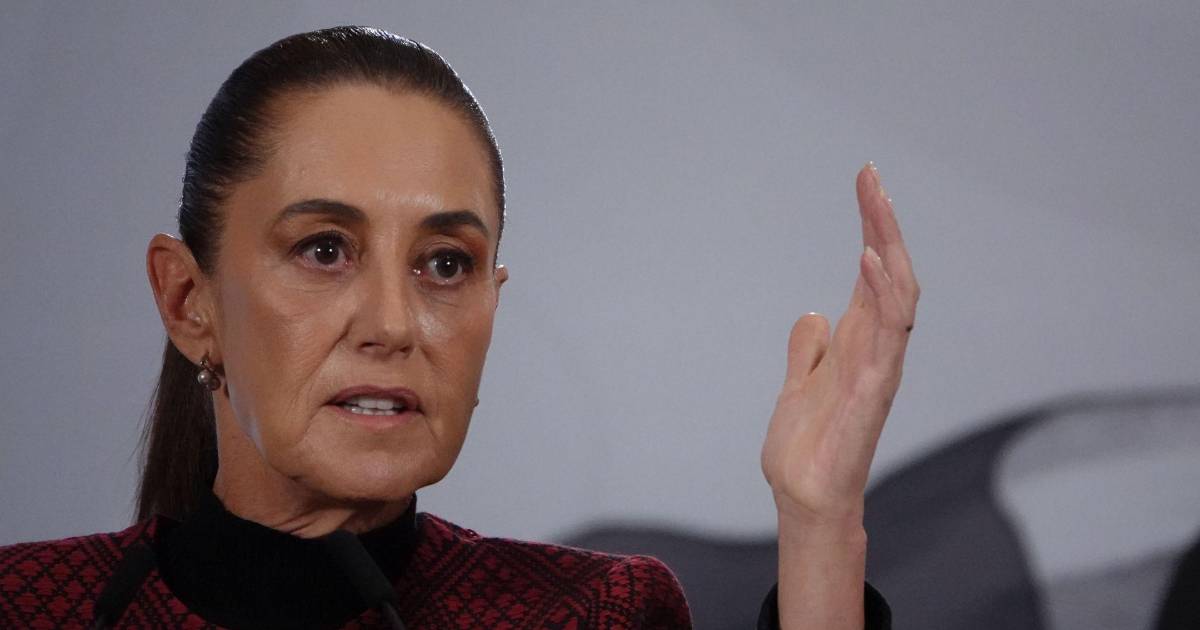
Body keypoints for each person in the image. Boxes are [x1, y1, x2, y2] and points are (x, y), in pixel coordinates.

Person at [0, 26, 917, 629]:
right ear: (187, 301)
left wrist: (820, 525)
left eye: (444, 264)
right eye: (324, 249)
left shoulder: (597, 614)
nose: (393, 324)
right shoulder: (29, 606)